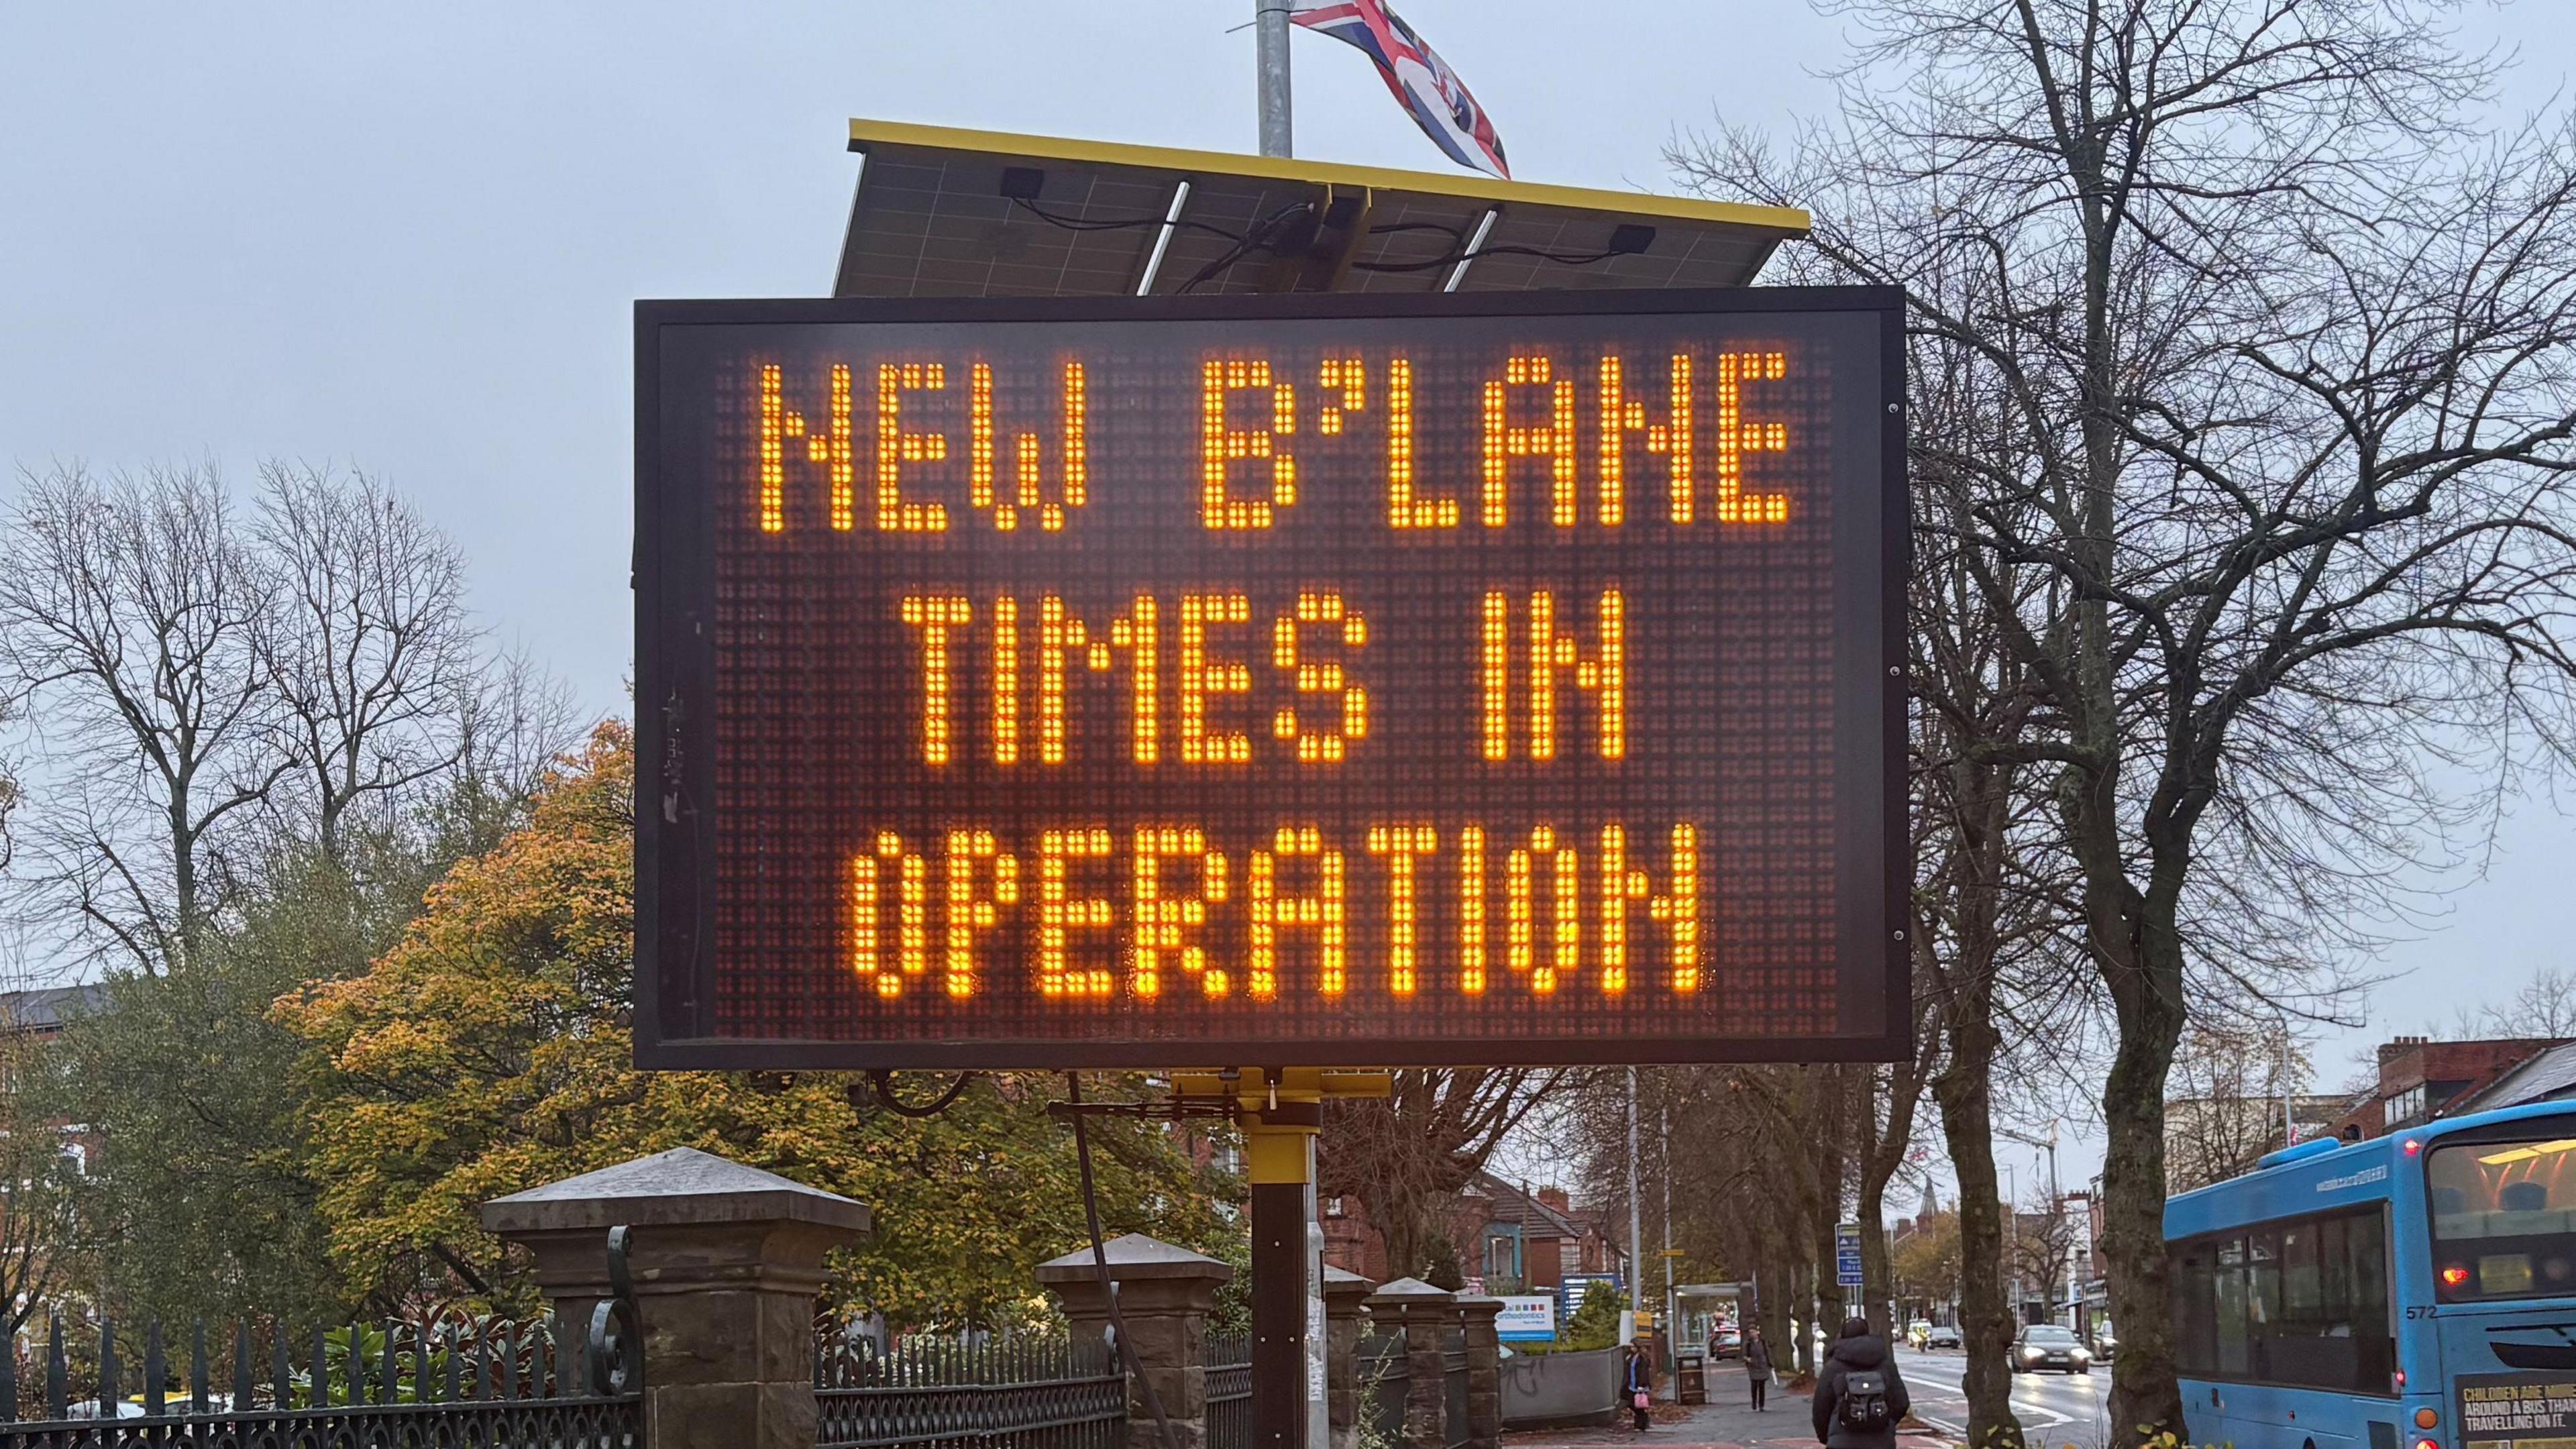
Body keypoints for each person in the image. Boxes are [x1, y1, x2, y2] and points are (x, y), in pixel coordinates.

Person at [1812, 1318, 1910, 1449]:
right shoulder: (1885, 1365)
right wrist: (1886, 1423)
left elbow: (1821, 1407)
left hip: (1842, 1443)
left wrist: (1826, 1436)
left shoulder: (1833, 1367)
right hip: (1881, 1442)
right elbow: (1902, 1403)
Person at [1621, 1338, 1654, 1432]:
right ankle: (1642, 1421)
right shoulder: (1631, 1357)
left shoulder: (1642, 1358)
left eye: (1633, 1346)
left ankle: (1641, 1424)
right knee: (1631, 1404)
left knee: (1637, 1404)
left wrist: (1642, 1385)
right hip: (1632, 1384)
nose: (1631, 1348)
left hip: (1639, 1385)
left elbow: (1643, 1372)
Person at [1742, 1325, 1773, 1411]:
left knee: (1762, 1386)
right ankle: (1754, 1402)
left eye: (1753, 1332)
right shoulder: (1748, 1344)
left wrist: (1770, 1363)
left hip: (1763, 1365)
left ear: (1757, 1332)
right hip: (1753, 1366)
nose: (1752, 1334)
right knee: (1754, 1385)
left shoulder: (1763, 1342)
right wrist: (1747, 1359)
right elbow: (1744, 1355)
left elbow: (1767, 1352)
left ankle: (1761, 1405)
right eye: (1750, 1332)